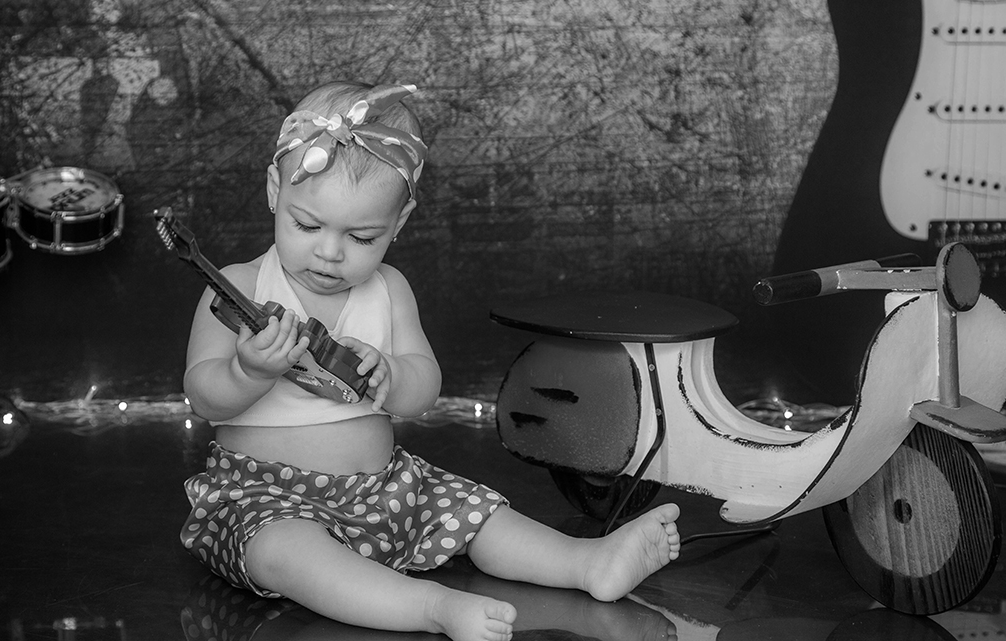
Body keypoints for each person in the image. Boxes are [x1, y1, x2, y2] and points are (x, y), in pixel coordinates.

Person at [179, 81, 681, 641]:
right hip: (263, 500)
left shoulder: (389, 290)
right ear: (275, 190)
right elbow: (204, 397)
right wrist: (248, 371)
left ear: (398, 223)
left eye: (362, 237)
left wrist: (393, 377)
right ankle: (431, 606)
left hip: (385, 491)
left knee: (474, 512)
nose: (330, 252)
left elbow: (424, 390)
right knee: (283, 551)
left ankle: (586, 563)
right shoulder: (238, 289)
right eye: (308, 225)